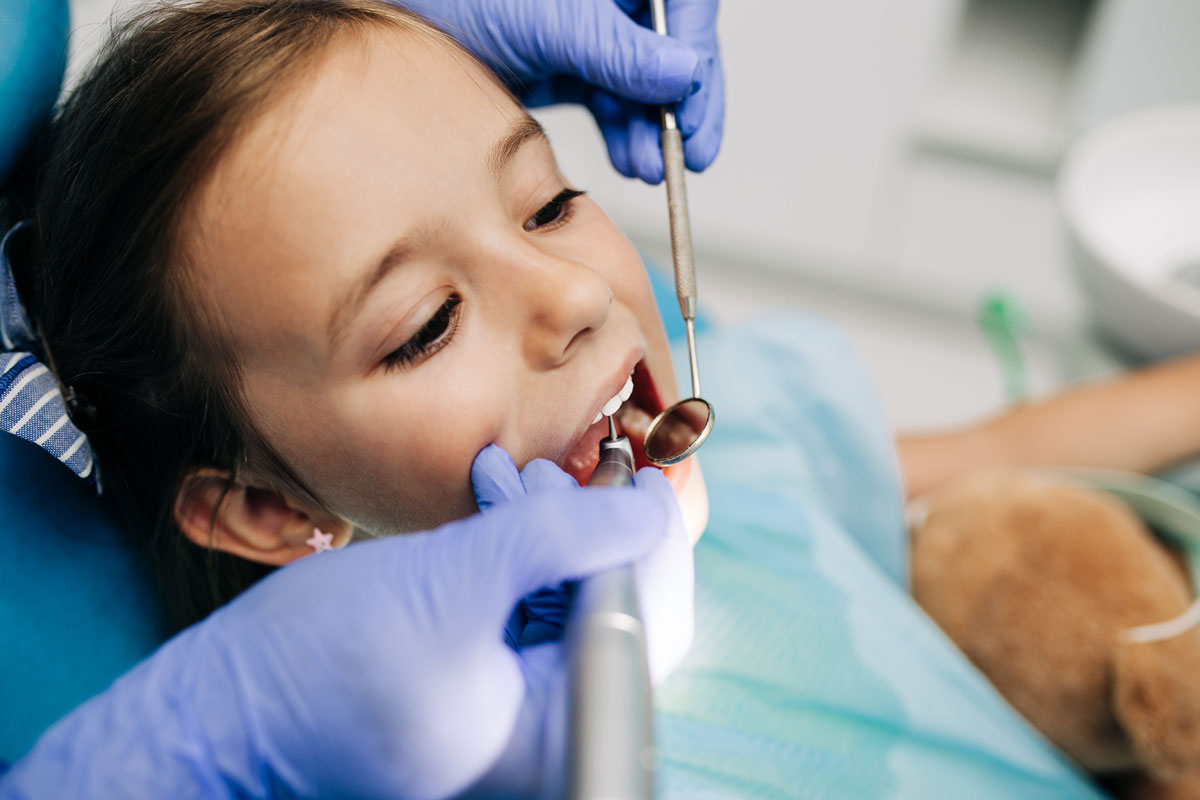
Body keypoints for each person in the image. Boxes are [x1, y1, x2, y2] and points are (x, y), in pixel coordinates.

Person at [0, 0, 721, 795]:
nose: (579, 295)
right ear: (267, 510)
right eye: (426, 326)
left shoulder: (769, 408)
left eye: (548, 206)